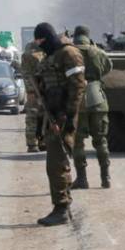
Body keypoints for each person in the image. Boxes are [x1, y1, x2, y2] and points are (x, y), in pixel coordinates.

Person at [32, 22, 86, 226]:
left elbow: (77, 86)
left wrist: (68, 115)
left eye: (40, 40)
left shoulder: (68, 54)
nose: (38, 45)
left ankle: (62, 208)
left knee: (57, 163)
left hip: (63, 116)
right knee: (54, 163)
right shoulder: (51, 55)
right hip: (52, 113)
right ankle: (60, 206)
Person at [71, 25, 113, 189]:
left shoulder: (70, 52)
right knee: (101, 140)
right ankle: (105, 177)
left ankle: (82, 179)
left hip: (77, 99)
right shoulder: (98, 52)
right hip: (97, 98)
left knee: (77, 142)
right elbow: (108, 67)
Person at [21, 38, 46, 152]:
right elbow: (27, 74)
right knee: (35, 117)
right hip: (37, 90)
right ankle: (35, 143)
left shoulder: (44, 51)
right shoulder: (32, 54)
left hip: (41, 90)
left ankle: (39, 142)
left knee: (40, 117)